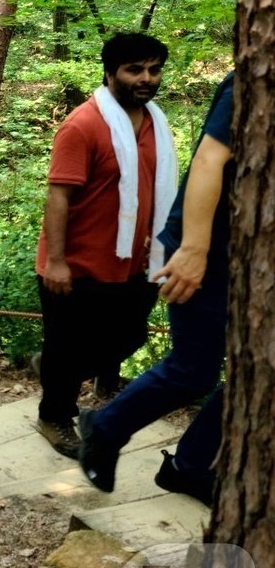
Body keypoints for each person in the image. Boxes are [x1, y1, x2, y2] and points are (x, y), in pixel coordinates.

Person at [78, 71, 234, 506]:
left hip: (248, 261)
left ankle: (190, 467)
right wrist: (194, 248)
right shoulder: (256, 77)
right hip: (202, 252)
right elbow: (209, 159)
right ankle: (105, 428)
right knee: (194, 369)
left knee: (257, 374)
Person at [34, 32, 176, 458]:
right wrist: (56, 262)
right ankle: (53, 416)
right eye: (135, 69)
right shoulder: (83, 124)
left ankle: (58, 368)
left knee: (128, 337)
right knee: (67, 346)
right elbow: (58, 196)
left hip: (136, 262)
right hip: (76, 265)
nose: (146, 78)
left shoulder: (156, 122)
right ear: (110, 72)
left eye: (153, 69)